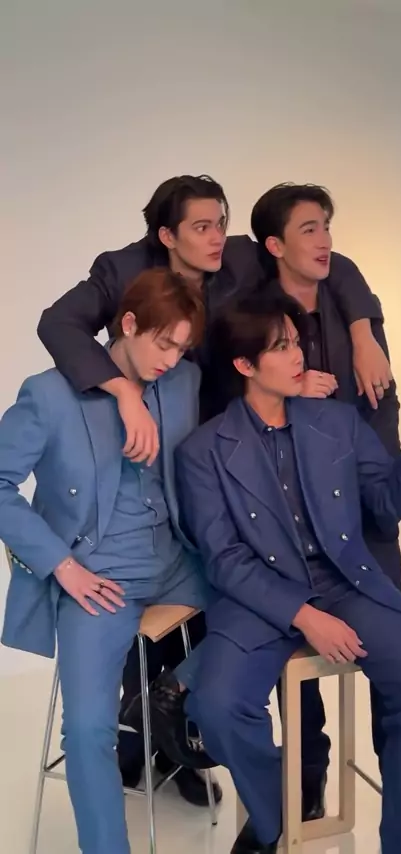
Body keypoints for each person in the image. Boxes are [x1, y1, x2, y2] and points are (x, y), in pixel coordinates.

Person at [35, 173, 392, 801]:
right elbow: (58, 324)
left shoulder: (243, 257)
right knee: (144, 599)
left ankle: (221, 746)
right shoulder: (122, 270)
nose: (217, 236)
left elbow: (326, 260)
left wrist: (362, 332)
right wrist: (123, 393)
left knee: (239, 590)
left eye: (221, 222)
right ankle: (140, 738)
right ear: (165, 235)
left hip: (233, 455)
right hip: (149, 456)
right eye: (201, 226)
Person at [175, 288, 401, 854]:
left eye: (296, 342)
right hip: (259, 598)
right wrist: (304, 616)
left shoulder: (337, 422)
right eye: (281, 347)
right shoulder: (202, 451)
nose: (298, 356)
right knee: (216, 706)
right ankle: (276, 819)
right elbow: (224, 559)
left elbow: (387, 504)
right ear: (244, 365)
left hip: (347, 583)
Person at [0, 270, 211, 854]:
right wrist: (61, 566)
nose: (171, 360)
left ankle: (163, 695)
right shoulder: (49, 394)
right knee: (88, 729)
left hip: (177, 562)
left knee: (270, 608)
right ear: (128, 324)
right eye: (163, 344)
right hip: (98, 580)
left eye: (182, 348)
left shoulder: (184, 383)